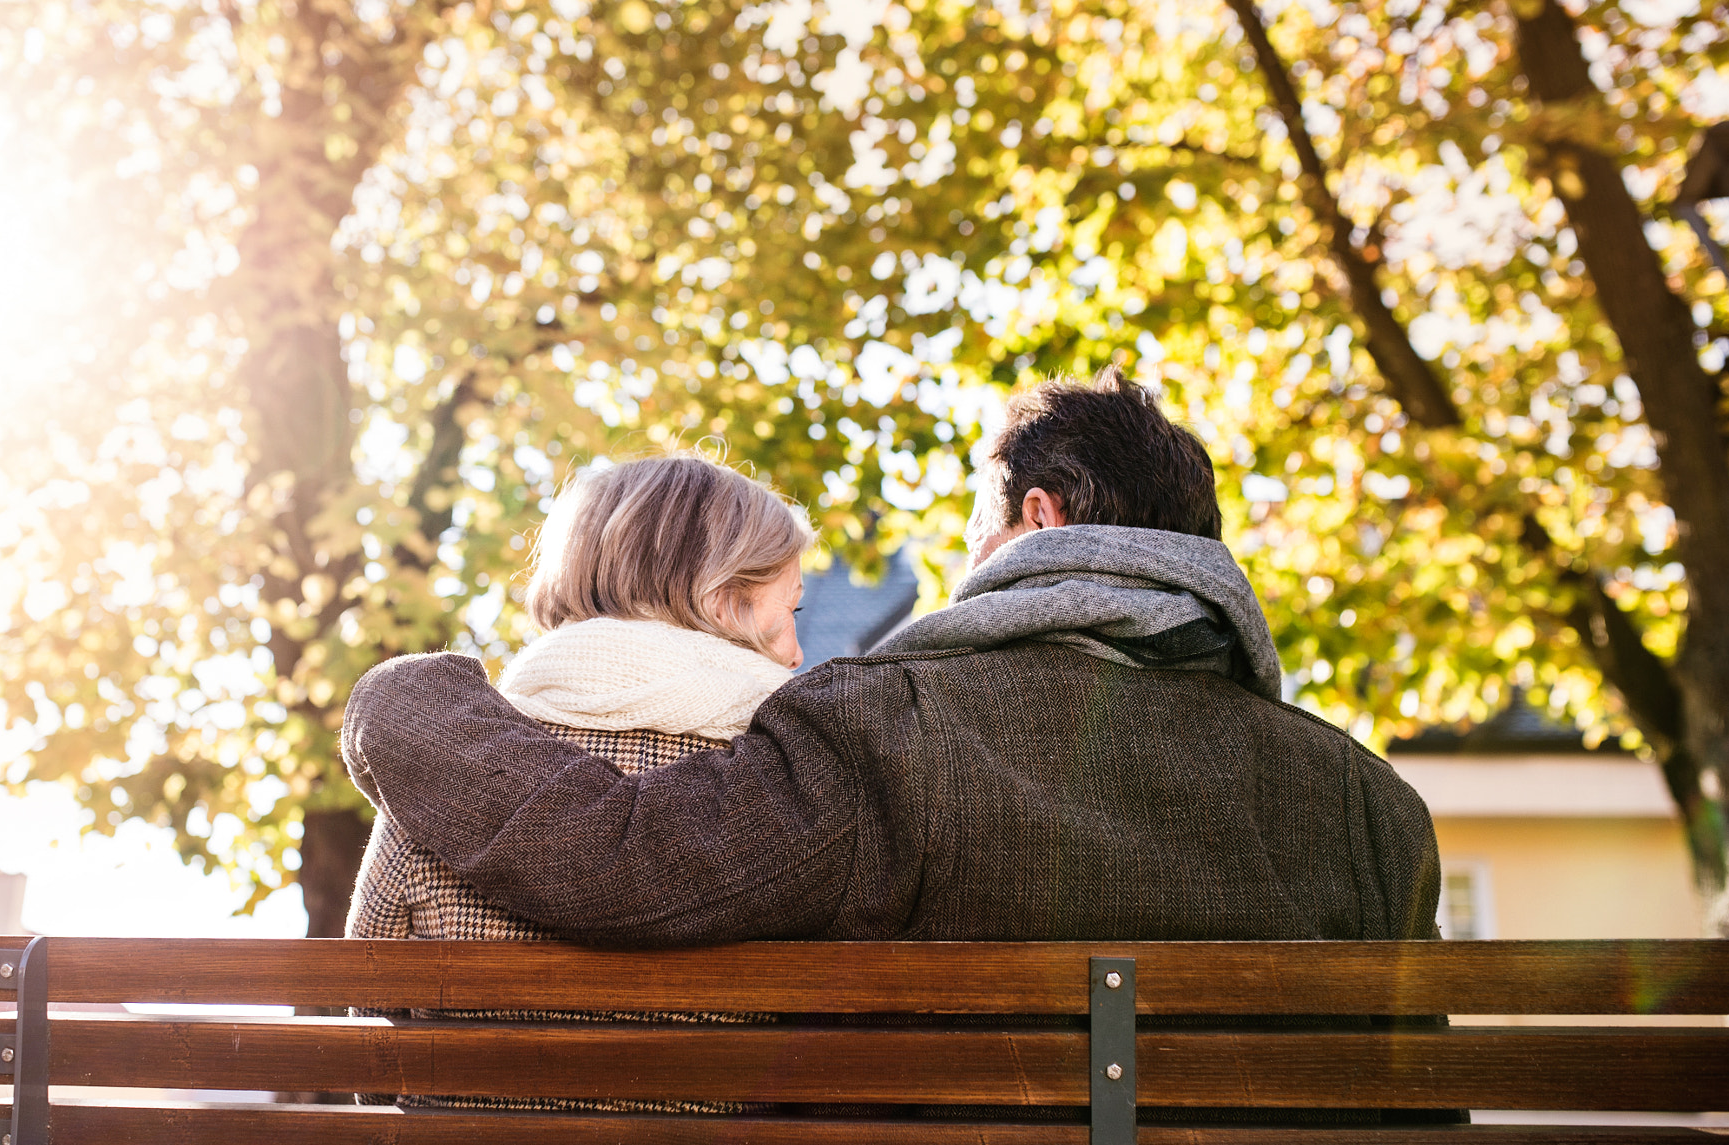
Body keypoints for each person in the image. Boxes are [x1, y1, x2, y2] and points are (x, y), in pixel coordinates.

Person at [339, 368, 1441, 947]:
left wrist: (410, 700)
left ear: (1039, 521)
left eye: (977, 528)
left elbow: (623, 862)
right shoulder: (1370, 808)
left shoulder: (894, 726)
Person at [341, 450, 810, 1145]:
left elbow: (370, 1016)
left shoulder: (444, 769)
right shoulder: (794, 786)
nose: (796, 651)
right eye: (791, 610)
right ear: (724, 601)